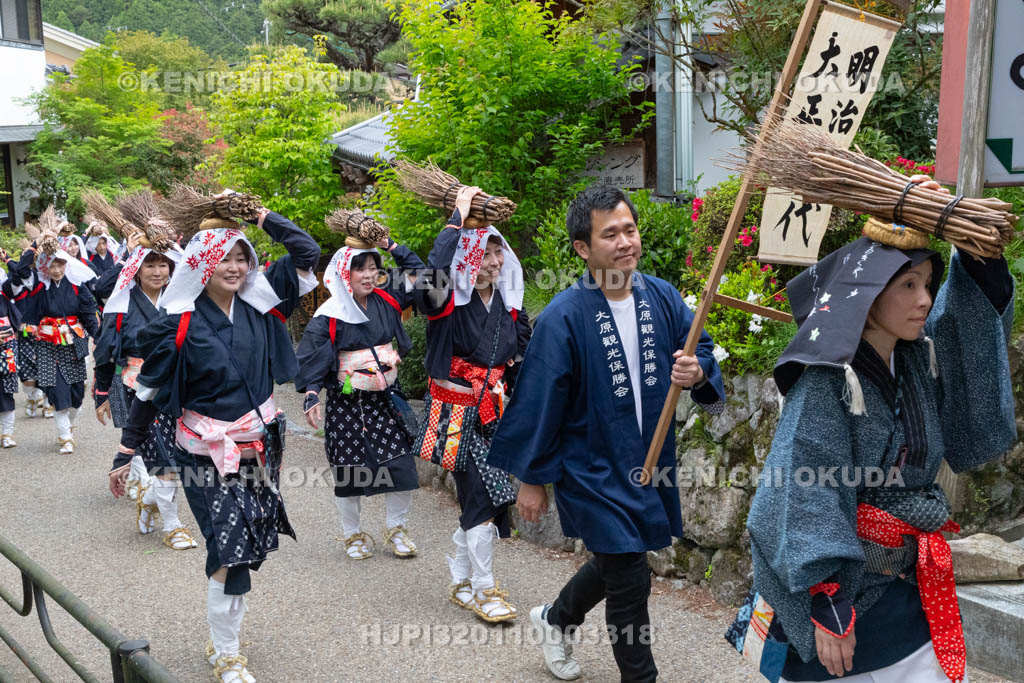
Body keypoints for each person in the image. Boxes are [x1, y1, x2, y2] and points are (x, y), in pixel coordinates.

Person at [745, 178, 1015, 683]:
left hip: (904, 587)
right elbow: (803, 486)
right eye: (908, 285)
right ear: (868, 297)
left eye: (928, 284)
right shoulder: (826, 381)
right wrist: (827, 601)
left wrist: (980, 259)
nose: (924, 300)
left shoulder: (918, 358)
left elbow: (966, 335)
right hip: (841, 598)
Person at [488, 185, 726, 682]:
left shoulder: (660, 295)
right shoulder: (564, 317)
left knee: (622, 555)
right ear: (583, 248)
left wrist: (697, 373)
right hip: (591, 466)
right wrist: (531, 480)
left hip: (647, 456)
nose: (625, 242)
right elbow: (538, 402)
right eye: (610, 234)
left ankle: (556, 619)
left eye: (630, 230)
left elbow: (699, 348)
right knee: (630, 576)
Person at [108, 204, 319, 683]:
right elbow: (148, 392)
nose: (235, 267)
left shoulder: (261, 308)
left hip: (258, 445)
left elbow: (306, 250)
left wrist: (261, 216)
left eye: (242, 258)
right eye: (225, 258)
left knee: (249, 544)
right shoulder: (177, 323)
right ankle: (226, 653)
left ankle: (224, 634)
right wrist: (126, 451)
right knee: (228, 548)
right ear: (202, 263)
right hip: (203, 451)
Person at [414, 186, 531, 623]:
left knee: (489, 500)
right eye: (484, 255)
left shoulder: (508, 303)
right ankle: (484, 590)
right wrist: (457, 219)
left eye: (499, 254)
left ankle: (461, 578)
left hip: (494, 412)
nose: (495, 263)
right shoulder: (446, 301)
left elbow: (520, 358)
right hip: (457, 411)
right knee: (481, 499)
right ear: (466, 259)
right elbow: (433, 274)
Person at [296, 233, 424, 560]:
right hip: (347, 403)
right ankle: (352, 535)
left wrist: (391, 245)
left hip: (386, 399)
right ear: (344, 273)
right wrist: (312, 394)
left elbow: (420, 272)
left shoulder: (388, 299)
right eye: (359, 269)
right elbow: (311, 357)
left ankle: (396, 528)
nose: (368, 275)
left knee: (401, 464)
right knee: (350, 471)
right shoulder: (329, 314)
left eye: (372, 268)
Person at [95, 241, 195, 548]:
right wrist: (101, 394)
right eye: (150, 265)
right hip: (138, 391)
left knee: (178, 458)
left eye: (163, 265)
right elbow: (105, 353)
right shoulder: (122, 304)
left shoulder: (180, 301)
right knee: (162, 459)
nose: (157, 271)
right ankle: (173, 526)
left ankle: (150, 501)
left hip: (178, 389)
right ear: (136, 270)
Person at [5, 242, 99, 452]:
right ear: (45, 266)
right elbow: (20, 270)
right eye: (52, 266)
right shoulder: (40, 284)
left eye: (60, 265)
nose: (56, 270)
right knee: (57, 391)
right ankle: (65, 436)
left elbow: (88, 314)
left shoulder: (76, 284)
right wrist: (35, 246)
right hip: (47, 343)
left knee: (76, 395)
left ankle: (69, 424)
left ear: (66, 265)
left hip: (73, 341)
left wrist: (99, 339)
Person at [0, 260, 23, 447]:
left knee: (6, 390)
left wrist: (7, 260)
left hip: (6, 347)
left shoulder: (5, 293)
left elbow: (19, 274)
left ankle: (7, 434)